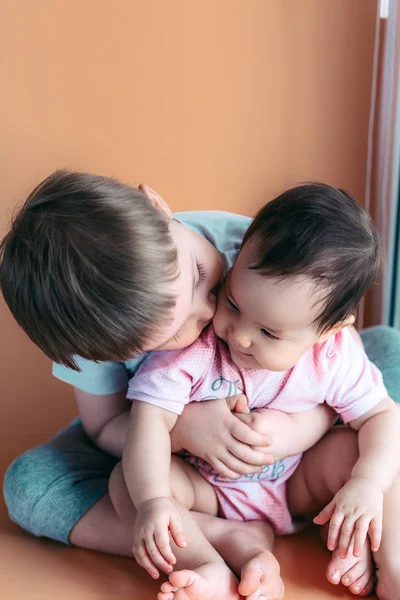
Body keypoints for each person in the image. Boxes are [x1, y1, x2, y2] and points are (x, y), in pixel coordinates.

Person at [1, 172, 400, 598]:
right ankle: (222, 541)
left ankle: (382, 550)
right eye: (173, 333)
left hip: (301, 445)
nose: (212, 313)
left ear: (158, 208)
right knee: (41, 485)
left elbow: (336, 347)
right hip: (184, 460)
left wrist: (304, 427)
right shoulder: (134, 348)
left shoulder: (260, 247)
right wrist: (185, 432)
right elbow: (109, 429)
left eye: (200, 276)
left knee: (388, 357)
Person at [116, 184, 400, 600]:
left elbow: (381, 416)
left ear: (328, 331)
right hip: (208, 489)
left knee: (370, 456)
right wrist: (155, 499)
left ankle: (385, 559)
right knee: (128, 484)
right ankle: (204, 565)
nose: (240, 336)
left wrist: (366, 485)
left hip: (298, 482)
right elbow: (149, 420)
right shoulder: (193, 348)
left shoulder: (333, 355)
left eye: (268, 331)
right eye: (232, 302)